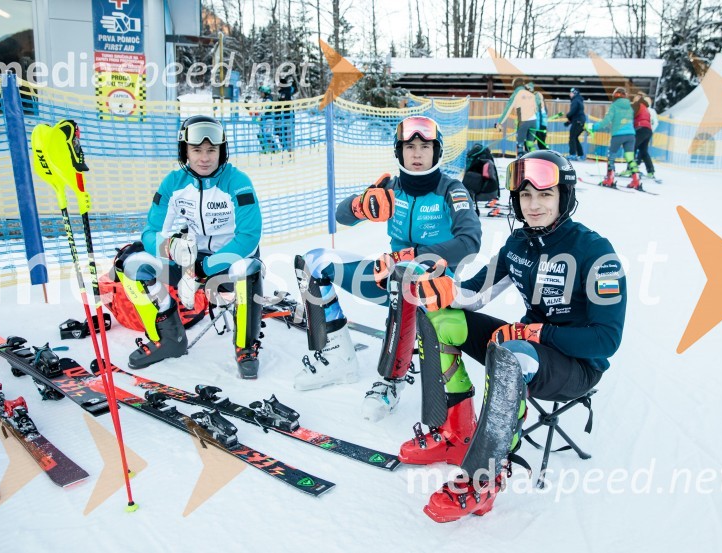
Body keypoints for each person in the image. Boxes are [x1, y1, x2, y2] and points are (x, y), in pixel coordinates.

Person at [401, 150, 626, 522]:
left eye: (545, 194)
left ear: (564, 197)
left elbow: (606, 341)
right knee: (440, 319)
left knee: (513, 352)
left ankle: (485, 475)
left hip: (576, 365)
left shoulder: (596, 253)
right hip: (526, 344)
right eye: (525, 196)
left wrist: (538, 331)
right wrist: (439, 288)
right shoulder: (518, 245)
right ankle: (455, 433)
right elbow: (473, 295)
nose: (533, 205)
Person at [292, 115, 482, 422]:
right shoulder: (391, 188)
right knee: (314, 261)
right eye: (409, 146)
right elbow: (342, 216)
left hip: (433, 290)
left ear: (436, 152)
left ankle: (391, 381)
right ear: (399, 152)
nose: (417, 153)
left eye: (425, 146)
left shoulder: (452, 190)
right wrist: (360, 205)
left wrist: (414, 255)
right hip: (390, 275)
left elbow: (470, 241)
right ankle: (338, 356)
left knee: (403, 275)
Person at [113, 115, 264, 378]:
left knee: (248, 268)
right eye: (196, 150)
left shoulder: (238, 182)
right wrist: (168, 247)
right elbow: (151, 231)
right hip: (188, 259)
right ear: (185, 151)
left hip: (226, 261)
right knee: (132, 264)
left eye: (211, 150)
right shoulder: (173, 183)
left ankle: (245, 347)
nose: (204, 158)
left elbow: (249, 236)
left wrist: (206, 265)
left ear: (221, 151)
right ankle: (167, 338)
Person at [585, 86, 640, 189]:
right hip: (631, 135)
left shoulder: (614, 106)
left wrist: (593, 127)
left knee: (612, 156)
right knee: (630, 158)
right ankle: (636, 180)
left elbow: (606, 121)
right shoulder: (630, 107)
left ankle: (610, 179)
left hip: (618, 135)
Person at [494, 80, 538, 156]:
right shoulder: (531, 95)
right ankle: (533, 159)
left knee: (520, 144)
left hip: (523, 121)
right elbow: (536, 109)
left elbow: (507, 110)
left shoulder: (516, 94)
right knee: (530, 144)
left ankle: (520, 161)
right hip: (534, 121)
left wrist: (499, 123)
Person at [631, 95, 657, 180]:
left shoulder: (640, 107)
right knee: (643, 151)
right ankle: (650, 171)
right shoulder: (648, 109)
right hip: (647, 130)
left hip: (641, 129)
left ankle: (631, 169)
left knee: (632, 148)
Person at [275, 74, 297, 152]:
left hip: (287, 116)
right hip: (284, 116)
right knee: (283, 134)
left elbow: (281, 105)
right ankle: (286, 149)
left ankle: (289, 151)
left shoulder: (286, 91)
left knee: (287, 135)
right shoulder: (283, 92)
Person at [564, 87, 586, 160]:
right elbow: (576, 113)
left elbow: (573, 111)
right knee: (575, 138)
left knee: (572, 137)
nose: (569, 94)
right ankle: (581, 155)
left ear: (574, 93)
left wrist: (568, 115)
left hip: (578, 121)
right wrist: (569, 121)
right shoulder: (579, 100)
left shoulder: (575, 101)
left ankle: (572, 154)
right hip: (580, 121)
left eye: (571, 93)